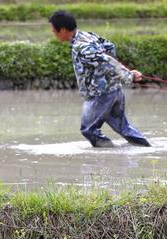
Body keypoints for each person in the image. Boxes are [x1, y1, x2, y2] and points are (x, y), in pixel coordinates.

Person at [49, 10, 151, 148]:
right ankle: (146, 148)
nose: (53, 34)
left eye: (54, 31)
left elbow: (106, 61)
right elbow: (110, 47)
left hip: (99, 95)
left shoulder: (81, 46)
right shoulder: (87, 36)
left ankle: (110, 154)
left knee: (88, 129)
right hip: (114, 91)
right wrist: (126, 73)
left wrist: (129, 76)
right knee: (123, 128)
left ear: (63, 30)